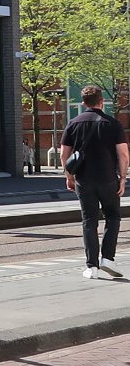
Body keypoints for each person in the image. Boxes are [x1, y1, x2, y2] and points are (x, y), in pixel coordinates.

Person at [61, 85, 129, 281]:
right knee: (113, 217)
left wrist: (69, 177)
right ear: (102, 101)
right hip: (108, 179)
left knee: (89, 221)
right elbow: (123, 154)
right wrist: (123, 178)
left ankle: (92, 267)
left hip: (84, 180)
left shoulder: (73, 123)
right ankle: (108, 258)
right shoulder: (113, 124)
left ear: (83, 103)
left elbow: (65, 154)